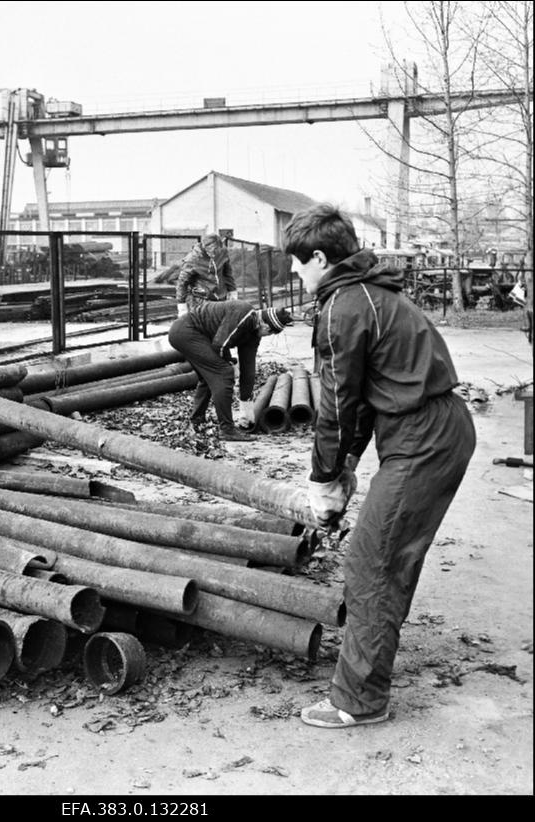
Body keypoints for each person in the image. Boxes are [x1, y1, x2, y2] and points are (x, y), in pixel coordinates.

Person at [282, 203, 475, 729]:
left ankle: (359, 700)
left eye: (297, 264)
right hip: (427, 427)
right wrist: (345, 466)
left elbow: (338, 405)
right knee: (384, 556)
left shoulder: (345, 306)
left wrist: (322, 479)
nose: (295, 276)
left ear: (319, 257)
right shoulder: (369, 289)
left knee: (374, 562)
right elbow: (364, 400)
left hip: (424, 437)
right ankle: (369, 669)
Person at [168, 299, 292, 441]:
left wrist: (247, 406)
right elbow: (220, 345)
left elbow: (248, 369)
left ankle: (197, 420)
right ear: (266, 326)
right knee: (223, 373)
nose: (268, 336)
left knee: (208, 377)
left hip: (195, 335)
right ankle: (227, 429)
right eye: (270, 334)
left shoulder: (254, 333)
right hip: (185, 331)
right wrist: (230, 363)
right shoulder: (244, 313)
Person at [175, 233, 238, 315]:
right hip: (201, 300)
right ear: (205, 247)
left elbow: (227, 273)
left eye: (217, 250)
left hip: (221, 297)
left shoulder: (223, 252)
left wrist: (232, 290)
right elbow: (182, 283)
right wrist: (181, 305)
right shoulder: (193, 259)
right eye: (212, 251)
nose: (214, 254)